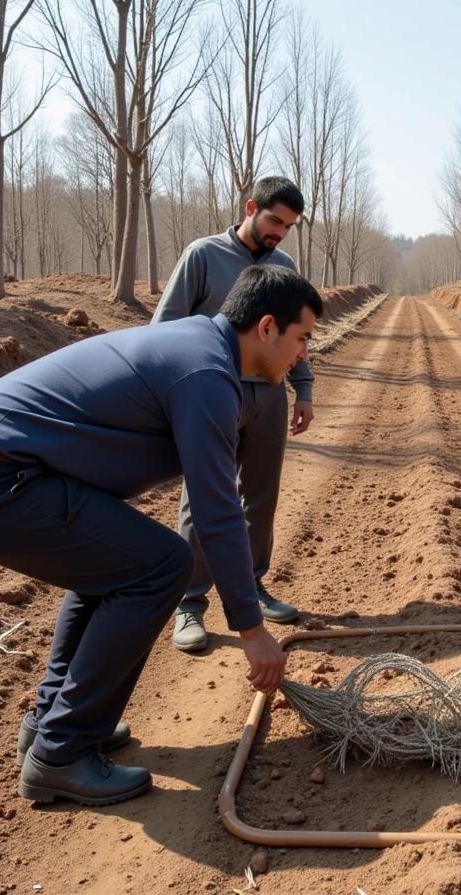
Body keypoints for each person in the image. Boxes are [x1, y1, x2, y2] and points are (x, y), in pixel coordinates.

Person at [0, 265, 323, 807]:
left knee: (118, 566)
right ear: (268, 327)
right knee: (162, 565)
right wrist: (250, 629)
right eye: (302, 339)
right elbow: (217, 510)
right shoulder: (206, 373)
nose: (302, 356)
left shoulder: (203, 349)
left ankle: (52, 725)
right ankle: (61, 754)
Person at [153, 176, 313, 652]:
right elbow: (165, 327)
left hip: (268, 395)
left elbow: (300, 335)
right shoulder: (202, 255)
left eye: (288, 226)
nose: (279, 233)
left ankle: (252, 584)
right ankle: (190, 602)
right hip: (209, 395)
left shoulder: (284, 267)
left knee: (261, 497)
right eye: (274, 220)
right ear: (250, 208)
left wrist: (302, 388)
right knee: (202, 497)